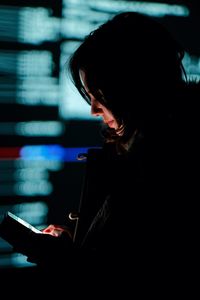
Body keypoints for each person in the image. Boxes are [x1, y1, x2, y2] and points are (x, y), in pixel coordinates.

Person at [11, 11, 200, 284]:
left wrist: (66, 260)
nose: (93, 110)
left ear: (132, 89)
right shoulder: (144, 156)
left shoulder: (166, 168)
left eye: (99, 96)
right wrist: (75, 247)